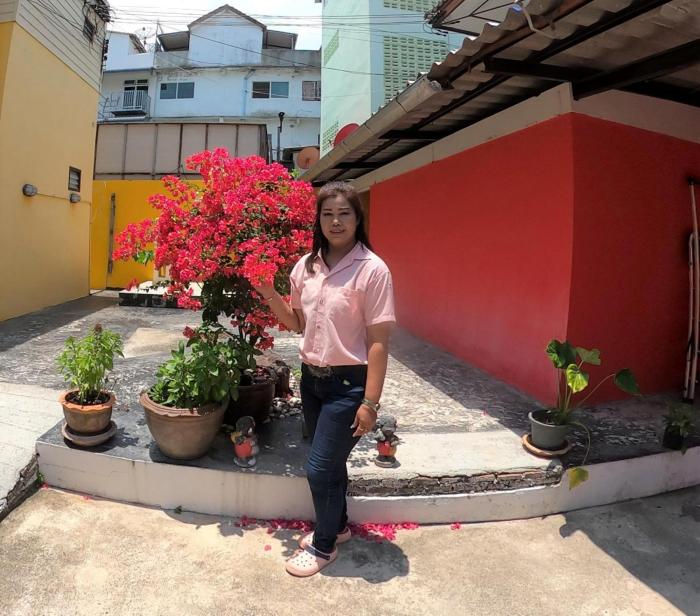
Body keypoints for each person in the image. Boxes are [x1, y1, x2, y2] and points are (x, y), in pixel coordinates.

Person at [253, 180, 395, 577]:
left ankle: (324, 545)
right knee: (330, 464)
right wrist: (268, 292)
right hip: (312, 381)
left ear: (357, 219)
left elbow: (379, 341)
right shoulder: (306, 266)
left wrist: (370, 403)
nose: (335, 221)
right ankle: (340, 526)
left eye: (344, 213)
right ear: (318, 219)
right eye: (327, 213)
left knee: (318, 467)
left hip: (349, 385)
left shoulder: (373, 270)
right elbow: (297, 323)